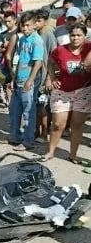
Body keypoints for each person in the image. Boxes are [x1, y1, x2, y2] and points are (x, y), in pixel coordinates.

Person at [42, 22, 91, 163]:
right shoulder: (60, 50)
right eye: (73, 35)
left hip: (83, 91)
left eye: (79, 35)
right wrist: (51, 78)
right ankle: (50, 152)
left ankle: (73, 154)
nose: (75, 38)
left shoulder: (89, 48)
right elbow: (50, 62)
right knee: (58, 124)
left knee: (77, 124)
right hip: (62, 91)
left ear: (84, 36)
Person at [9, 12, 44, 151]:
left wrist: (30, 81)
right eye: (22, 25)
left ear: (35, 25)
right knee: (14, 110)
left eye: (28, 25)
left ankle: (29, 141)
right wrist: (14, 78)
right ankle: (15, 137)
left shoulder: (37, 41)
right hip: (19, 79)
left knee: (28, 112)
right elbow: (18, 60)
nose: (24, 28)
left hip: (29, 81)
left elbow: (38, 63)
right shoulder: (22, 39)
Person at [34, 9, 57, 142]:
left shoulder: (48, 36)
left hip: (44, 76)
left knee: (43, 107)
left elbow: (53, 59)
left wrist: (49, 77)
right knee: (36, 106)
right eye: (35, 20)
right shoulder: (34, 35)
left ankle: (44, 133)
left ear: (45, 22)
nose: (36, 23)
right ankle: (37, 132)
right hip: (35, 75)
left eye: (39, 20)